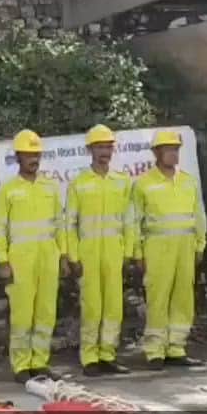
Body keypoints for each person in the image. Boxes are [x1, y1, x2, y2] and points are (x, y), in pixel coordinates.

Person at [0, 129, 69, 383]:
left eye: (36, 154)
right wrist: (3, 260)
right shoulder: (8, 191)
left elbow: (60, 223)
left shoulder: (50, 187)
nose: (33, 159)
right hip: (20, 259)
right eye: (28, 155)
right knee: (22, 314)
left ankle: (39, 361)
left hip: (48, 256)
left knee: (46, 312)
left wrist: (63, 255)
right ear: (18, 157)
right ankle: (21, 364)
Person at [131, 130, 206, 370]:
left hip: (186, 248)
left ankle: (176, 348)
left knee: (183, 298)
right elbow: (134, 221)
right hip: (157, 249)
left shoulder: (188, 181)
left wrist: (200, 245)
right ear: (156, 153)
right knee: (158, 298)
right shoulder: (143, 184)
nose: (173, 154)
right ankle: (155, 350)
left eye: (175, 149)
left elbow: (199, 215)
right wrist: (138, 252)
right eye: (168, 149)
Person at [66, 125, 133, 377]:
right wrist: (73, 256)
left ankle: (108, 355)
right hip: (88, 255)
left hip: (114, 253)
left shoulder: (122, 182)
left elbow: (129, 220)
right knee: (92, 306)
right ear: (90, 150)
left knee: (114, 306)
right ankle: (90, 357)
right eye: (99, 147)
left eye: (108, 147)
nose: (104, 152)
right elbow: (70, 223)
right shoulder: (79, 183)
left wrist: (128, 252)